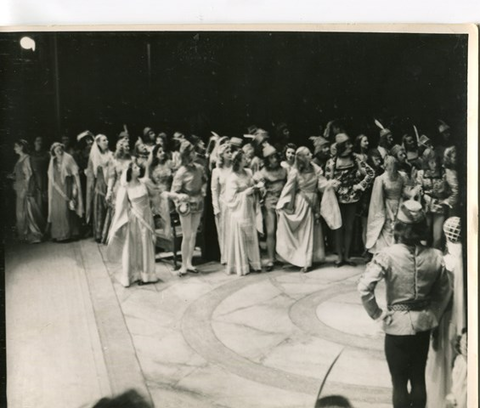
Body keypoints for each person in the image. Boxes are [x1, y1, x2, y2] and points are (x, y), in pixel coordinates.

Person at [357, 200, 452, 408]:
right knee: (418, 379)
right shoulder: (435, 256)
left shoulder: (387, 256)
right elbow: (445, 291)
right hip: (424, 325)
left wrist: (377, 314)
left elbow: (364, 288)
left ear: (398, 227)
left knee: (399, 384)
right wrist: (434, 315)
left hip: (396, 326)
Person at [277, 147, 338, 272]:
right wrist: (282, 203)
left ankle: (310, 259)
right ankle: (301, 259)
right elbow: (288, 188)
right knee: (303, 232)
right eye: (308, 154)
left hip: (314, 201)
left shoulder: (316, 169)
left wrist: (330, 184)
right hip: (301, 203)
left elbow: (321, 185)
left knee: (311, 232)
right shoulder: (295, 172)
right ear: (302, 158)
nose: (311, 155)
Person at [425, 217, 465, 408]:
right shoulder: (466, 261)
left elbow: (444, 298)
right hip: (463, 321)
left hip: (448, 318)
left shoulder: (447, 262)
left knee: (444, 358)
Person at [325, 133, 374, 267]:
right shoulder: (332, 162)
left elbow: (370, 173)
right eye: (346, 144)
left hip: (352, 197)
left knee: (349, 226)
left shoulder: (356, 159)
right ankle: (340, 256)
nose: (350, 146)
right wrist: (332, 184)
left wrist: (361, 185)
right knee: (338, 226)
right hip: (337, 198)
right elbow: (326, 179)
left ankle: (346, 255)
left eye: (349, 144)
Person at [107, 160, 158, 287]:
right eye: (135, 167)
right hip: (134, 220)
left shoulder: (144, 183)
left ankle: (146, 274)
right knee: (133, 247)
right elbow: (121, 207)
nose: (138, 168)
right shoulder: (126, 187)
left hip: (146, 217)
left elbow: (154, 197)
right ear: (130, 171)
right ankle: (133, 275)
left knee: (146, 244)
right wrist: (119, 224)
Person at [171, 140, 208, 276]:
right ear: (186, 155)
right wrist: (180, 200)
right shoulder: (181, 172)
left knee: (193, 234)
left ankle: (190, 262)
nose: (194, 154)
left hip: (197, 202)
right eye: (191, 152)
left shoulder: (199, 168)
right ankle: (183, 265)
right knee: (186, 235)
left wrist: (203, 190)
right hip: (186, 204)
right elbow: (174, 191)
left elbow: (204, 181)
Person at [224, 150, 262, 275]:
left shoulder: (249, 172)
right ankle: (242, 265)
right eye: (244, 158)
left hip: (248, 208)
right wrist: (245, 193)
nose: (247, 160)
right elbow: (230, 198)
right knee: (240, 236)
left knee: (250, 236)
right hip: (238, 211)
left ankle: (253, 263)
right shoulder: (232, 178)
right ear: (238, 161)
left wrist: (257, 187)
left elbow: (252, 184)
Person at [254, 144, 287, 271]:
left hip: (282, 202)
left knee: (282, 230)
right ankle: (271, 258)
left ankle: (280, 255)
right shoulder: (263, 172)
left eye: (275, 156)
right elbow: (257, 182)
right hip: (270, 202)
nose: (274, 159)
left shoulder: (284, 170)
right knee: (271, 230)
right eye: (271, 158)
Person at [366, 156, 408, 255]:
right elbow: (378, 198)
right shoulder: (381, 179)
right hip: (387, 205)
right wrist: (383, 210)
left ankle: (397, 252)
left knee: (398, 226)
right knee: (388, 227)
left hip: (399, 203)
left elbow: (405, 191)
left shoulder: (402, 176)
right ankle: (386, 252)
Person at [416, 148, 456, 249]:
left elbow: (454, 191)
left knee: (437, 237)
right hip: (425, 207)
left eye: (436, 161)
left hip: (440, 207)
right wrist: (424, 196)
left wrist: (445, 202)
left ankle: (436, 259)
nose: (435, 164)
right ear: (426, 162)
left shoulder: (444, 173)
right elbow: (418, 189)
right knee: (425, 234)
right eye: (431, 162)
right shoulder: (421, 174)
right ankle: (424, 258)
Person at [47, 142, 84, 241]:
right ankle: (58, 235)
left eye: (60, 149)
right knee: (57, 210)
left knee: (66, 210)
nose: (59, 151)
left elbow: (74, 173)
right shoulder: (53, 161)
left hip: (67, 186)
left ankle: (69, 234)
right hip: (56, 189)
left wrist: (74, 188)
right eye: (56, 150)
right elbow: (51, 177)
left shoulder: (68, 158)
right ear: (53, 151)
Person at [10, 140, 44, 243]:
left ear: (21, 147)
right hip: (19, 187)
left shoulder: (26, 158)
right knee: (20, 211)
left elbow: (28, 175)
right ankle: (24, 234)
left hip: (24, 188)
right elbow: (19, 174)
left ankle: (32, 233)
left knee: (26, 210)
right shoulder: (19, 159)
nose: (14, 148)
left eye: (16, 146)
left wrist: (25, 189)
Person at [101, 137, 132, 242]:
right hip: (119, 188)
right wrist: (109, 190)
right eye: (126, 146)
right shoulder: (114, 160)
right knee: (118, 211)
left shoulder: (132, 159)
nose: (128, 148)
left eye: (129, 146)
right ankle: (117, 237)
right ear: (121, 147)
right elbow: (111, 177)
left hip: (130, 187)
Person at [85, 134, 112, 242]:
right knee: (100, 209)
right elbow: (92, 174)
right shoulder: (95, 157)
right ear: (99, 143)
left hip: (110, 183)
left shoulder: (111, 154)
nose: (107, 141)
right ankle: (99, 234)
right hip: (100, 185)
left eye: (107, 139)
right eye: (104, 140)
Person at [211, 142, 233, 264]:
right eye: (227, 152)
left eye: (231, 152)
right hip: (223, 203)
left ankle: (235, 254)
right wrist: (216, 207)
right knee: (224, 230)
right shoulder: (217, 171)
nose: (230, 154)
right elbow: (214, 190)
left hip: (235, 202)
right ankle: (225, 256)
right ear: (222, 155)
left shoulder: (235, 169)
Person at [29, 136, 50, 219]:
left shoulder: (47, 154)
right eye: (37, 141)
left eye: (41, 141)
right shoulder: (31, 155)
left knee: (45, 201)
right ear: (34, 142)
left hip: (45, 180)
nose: (39, 142)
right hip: (34, 180)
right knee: (36, 202)